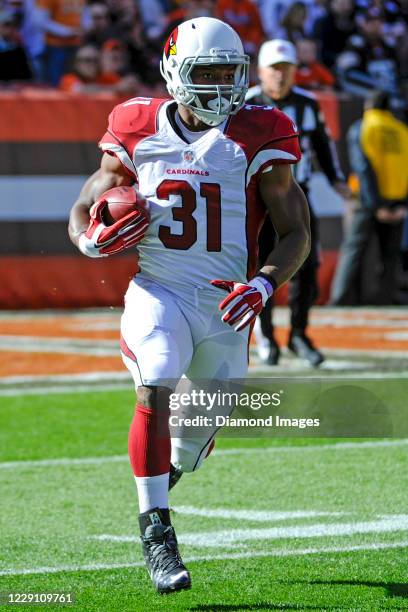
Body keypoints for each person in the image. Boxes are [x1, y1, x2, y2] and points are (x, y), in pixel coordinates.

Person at [68, 17, 310, 595]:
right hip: (161, 289)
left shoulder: (261, 130)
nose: (223, 87)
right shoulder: (135, 124)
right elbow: (86, 201)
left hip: (227, 307)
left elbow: (296, 230)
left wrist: (264, 283)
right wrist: (87, 239)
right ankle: (157, 529)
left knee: (190, 446)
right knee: (156, 378)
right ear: (175, 72)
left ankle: (159, 476)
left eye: (232, 73)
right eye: (209, 73)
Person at [246, 39, 349, 366]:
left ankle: (299, 334)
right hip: (257, 200)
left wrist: (337, 180)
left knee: (307, 265)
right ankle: (266, 335)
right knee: (260, 265)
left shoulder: (307, 104)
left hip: (297, 194)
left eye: (286, 69)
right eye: (274, 69)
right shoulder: (246, 104)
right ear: (260, 71)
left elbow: (322, 144)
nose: (280, 76)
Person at [331, 90, 408, 305]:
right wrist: (401, 204)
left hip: (366, 201)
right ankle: (385, 299)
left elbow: (363, 168)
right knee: (389, 255)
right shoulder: (402, 130)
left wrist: (376, 204)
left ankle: (341, 298)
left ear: (368, 106)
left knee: (353, 250)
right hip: (396, 203)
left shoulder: (363, 127)